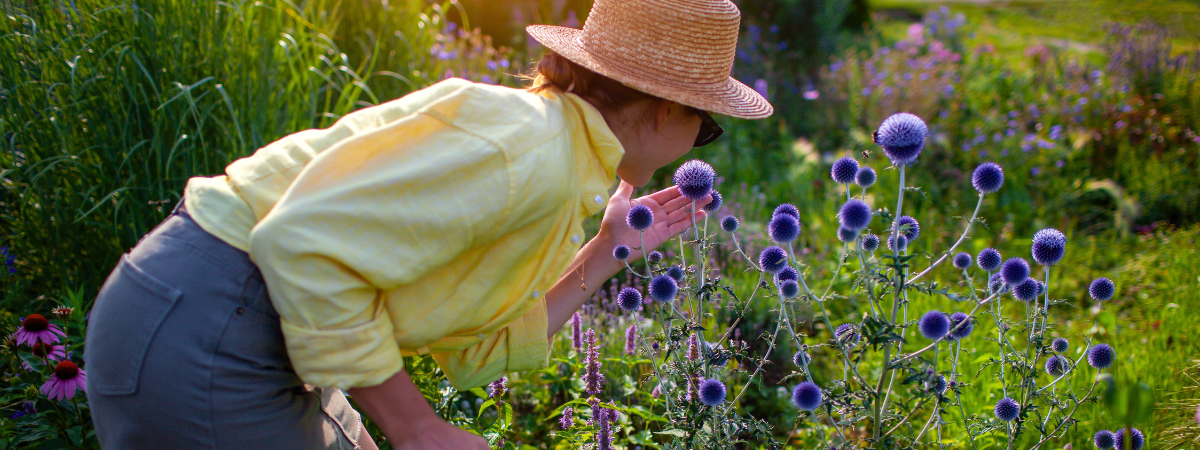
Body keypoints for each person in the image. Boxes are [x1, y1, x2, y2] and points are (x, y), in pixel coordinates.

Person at [83, 0, 772, 447]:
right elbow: (300, 245)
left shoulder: (555, 154)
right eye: (706, 128)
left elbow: (474, 354)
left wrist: (607, 250)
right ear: (665, 112)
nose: (698, 142)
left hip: (252, 328)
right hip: (213, 329)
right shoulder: (528, 151)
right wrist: (414, 426)